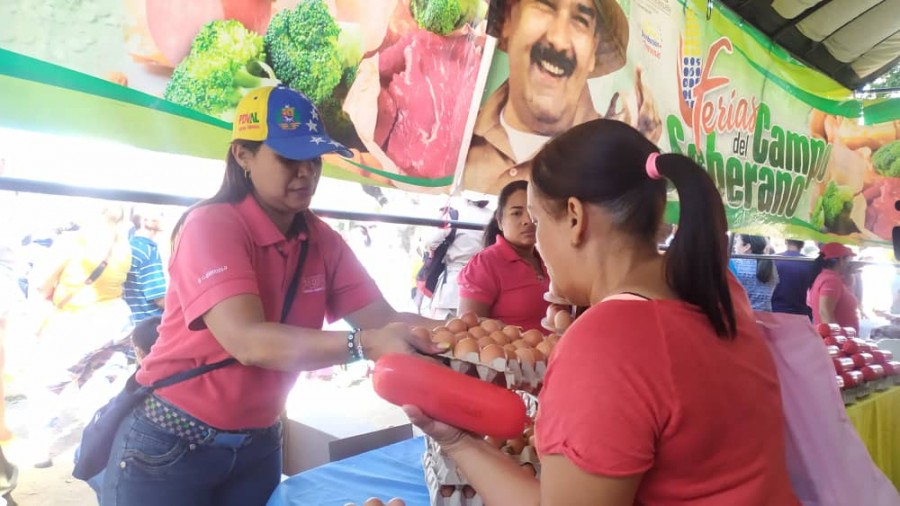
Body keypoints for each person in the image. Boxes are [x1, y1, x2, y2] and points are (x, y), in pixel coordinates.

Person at [406, 119, 798, 505]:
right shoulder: (718, 288)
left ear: (575, 218)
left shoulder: (606, 342)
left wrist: (457, 442)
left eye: (538, 221)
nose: (537, 241)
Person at [99, 85, 444, 506]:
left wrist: (469, 332)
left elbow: (383, 318)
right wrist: (365, 345)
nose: (306, 173)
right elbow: (248, 342)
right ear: (243, 155)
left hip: (258, 444)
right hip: (171, 445)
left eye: (314, 159)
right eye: (289, 159)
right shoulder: (212, 225)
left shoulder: (321, 239)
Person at [464, 0, 661, 194]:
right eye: (545, 6)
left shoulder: (612, 158)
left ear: (593, 51)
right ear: (508, 20)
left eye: (581, 20)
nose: (559, 41)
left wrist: (631, 162)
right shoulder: (460, 131)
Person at [457, 181, 550, 331]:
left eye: (533, 212)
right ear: (500, 221)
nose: (528, 220)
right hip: (509, 347)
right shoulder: (485, 263)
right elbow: (468, 325)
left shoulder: (548, 260)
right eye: (516, 213)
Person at [427, 197, 494, 320]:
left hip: (452, 284)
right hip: (480, 286)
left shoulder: (456, 214)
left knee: (443, 327)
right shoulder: (493, 217)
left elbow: (431, 242)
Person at [123, 207, 166, 324]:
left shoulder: (129, 246)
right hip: (152, 323)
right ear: (145, 220)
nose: (163, 218)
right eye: (160, 214)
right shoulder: (148, 252)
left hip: (135, 322)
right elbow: (160, 300)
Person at [808, 242, 860, 333]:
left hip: (841, 337)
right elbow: (825, 312)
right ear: (841, 260)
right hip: (836, 339)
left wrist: (848, 275)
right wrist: (837, 337)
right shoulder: (831, 280)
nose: (849, 263)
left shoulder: (829, 277)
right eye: (848, 259)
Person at [731, 234, 778, 312]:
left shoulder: (735, 264)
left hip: (742, 314)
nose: (734, 246)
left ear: (747, 247)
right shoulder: (770, 266)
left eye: (737, 242)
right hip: (765, 315)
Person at [771, 239, 814, 318]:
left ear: (786, 241)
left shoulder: (774, 259)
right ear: (802, 244)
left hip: (776, 309)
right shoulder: (810, 263)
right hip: (800, 312)